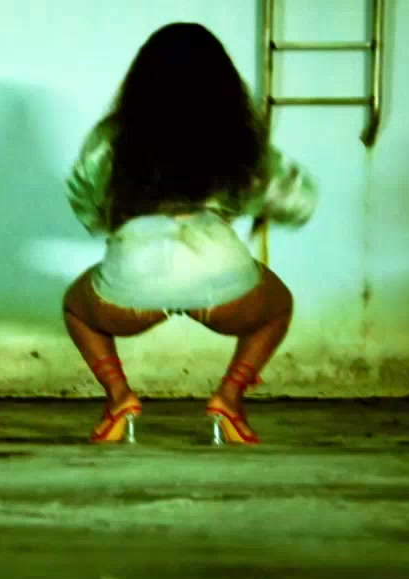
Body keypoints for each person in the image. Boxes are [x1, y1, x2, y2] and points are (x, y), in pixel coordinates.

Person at [62, 22, 317, 445]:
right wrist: (253, 207)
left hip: (134, 270)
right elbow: (297, 198)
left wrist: (111, 224)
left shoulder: (113, 137)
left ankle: (119, 398)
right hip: (218, 267)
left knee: (76, 308)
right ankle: (229, 399)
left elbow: (83, 193)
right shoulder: (238, 137)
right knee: (278, 306)